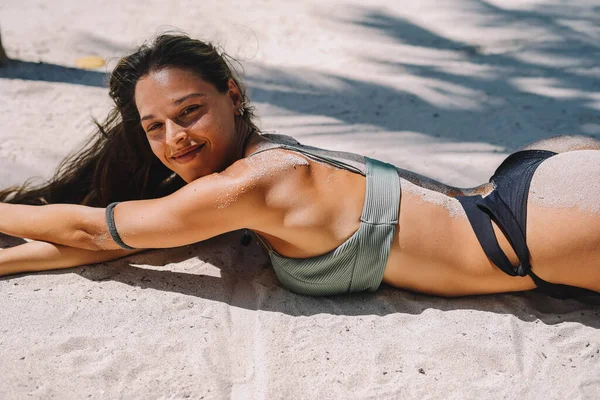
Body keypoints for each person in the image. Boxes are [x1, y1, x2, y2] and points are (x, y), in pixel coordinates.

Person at [0, 34, 598, 299]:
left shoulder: (253, 182)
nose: (174, 138)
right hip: (528, 191)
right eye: (155, 127)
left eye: (189, 111)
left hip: (531, 228)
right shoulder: (246, 170)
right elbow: (118, 241)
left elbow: (91, 228)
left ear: (232, 94)